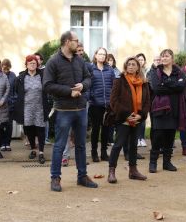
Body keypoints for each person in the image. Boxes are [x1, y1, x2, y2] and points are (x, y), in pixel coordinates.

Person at [43, 31, 96, 192]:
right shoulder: (53, 61)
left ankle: (82, 176)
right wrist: (69, 91)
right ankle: (55, 178)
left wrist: (83, 86)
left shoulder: (80, 60)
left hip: (81, 109)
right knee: (59, 145)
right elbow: (47, 85)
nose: (78, 43)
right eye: (75, 41)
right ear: (67, 42)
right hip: (63, 110)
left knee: (80, 145)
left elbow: (88, 78)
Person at [106, 56, 151, 183]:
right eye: (129, 64)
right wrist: (126, 114)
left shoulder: (144, 82)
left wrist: (141, 115)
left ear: (138, 67)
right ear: (125, 66)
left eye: (133, 64)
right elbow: (113, 101)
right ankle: (111, 171)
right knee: (118, 144)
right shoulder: (119, 80)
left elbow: (147, 101)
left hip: (137, 119)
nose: (131, 66)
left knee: (133, 145)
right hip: (124, 119)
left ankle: (133, 171)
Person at [148, 49, 186, 172]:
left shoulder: (179, 72)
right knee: (158, 136)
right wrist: (173, 86)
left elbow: (182, 87)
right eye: (162, 56)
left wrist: (166, 84)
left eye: (166, 56)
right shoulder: (156, 72)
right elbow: (157, 89)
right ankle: (153, 162)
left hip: (175, 108)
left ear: (172, 58)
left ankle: (167, 162)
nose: (163, 58)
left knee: (170, 136)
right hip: (160, 109)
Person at [15, 55, 49, 164]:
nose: (32, 65)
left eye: (34, 63)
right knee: (29, 129)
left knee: (40, 130)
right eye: (30, 63)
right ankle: (33, 149)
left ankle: (41, 152)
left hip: (40, 107)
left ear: (37, 64)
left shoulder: (43, 75)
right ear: (26, 64)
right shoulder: (21, 77)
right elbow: (16, 91)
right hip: (27, 108)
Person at [87, 47, 115, 162]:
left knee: (106, 129)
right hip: (95, 104)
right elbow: (87, 85)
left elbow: (114, 86)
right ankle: (94, 153)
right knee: (95, 129)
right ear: (95, 55)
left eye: (104, 54)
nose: (102, 56)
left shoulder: (110, 70)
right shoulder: (90, 69)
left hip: (108, 104)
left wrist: (112, 100)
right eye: (100, 54)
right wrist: (91, 97)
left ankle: (104, 153)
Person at [0, 59, 17, 152]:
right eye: (4, 66)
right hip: (1, 104)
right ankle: (2, 143)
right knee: (2, 124)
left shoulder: (13, 75)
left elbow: (15, 89)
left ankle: (7, 143)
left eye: (7, 66)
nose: (5, 68)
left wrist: (14, 100)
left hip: (10, 104)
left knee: (9, 125)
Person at [135, 53, 148, 148]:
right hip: (134, 100)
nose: (140, 61)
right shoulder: (133, 71)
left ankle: (141, 138)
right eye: (138, 59)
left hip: (143, 100)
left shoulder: (146, 71)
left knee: (142, 119)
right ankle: (136, 139)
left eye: (142, 60)